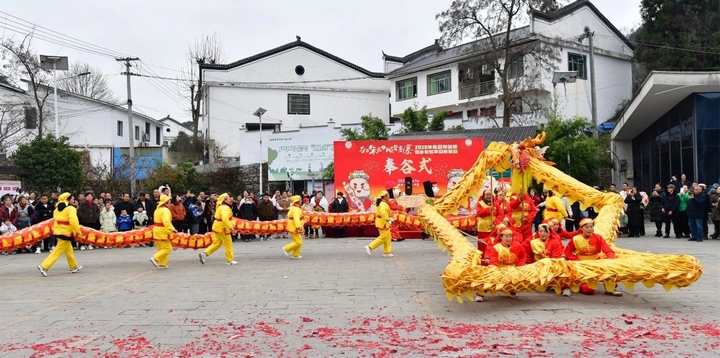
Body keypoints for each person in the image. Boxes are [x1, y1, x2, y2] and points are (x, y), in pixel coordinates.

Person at [564, 218, 622, 296]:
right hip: (581, 265)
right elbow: (567, 252)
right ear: (581, 228)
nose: (589, 229)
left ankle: (610, 289)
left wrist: (611, 260)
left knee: (609, 267)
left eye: (591, 227)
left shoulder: (598, 238)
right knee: (588, 290)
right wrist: (577, 260)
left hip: (596, 263)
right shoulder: (575, 239)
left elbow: (608, 251)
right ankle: (577, 284)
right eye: (587, 227)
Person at [37, 193, 83, 277]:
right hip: (66, 232)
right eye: (72, 199)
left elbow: (55, 220)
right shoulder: (70, 208)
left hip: (58, 231)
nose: (74, 200)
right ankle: (44, 266)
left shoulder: (57, 209)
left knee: (69, 250)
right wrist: (77, 230)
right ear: (68, 200)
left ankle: (73, 266)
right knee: (58, 251)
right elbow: (73, 220)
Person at [475, 228, 526, 302]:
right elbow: (493, 260)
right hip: (499, 269)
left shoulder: (517, 245)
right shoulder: (496, 247)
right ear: (501, 237)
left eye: (510, 236)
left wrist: (519, 265)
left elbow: (523, 256)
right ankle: (480, 294)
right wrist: (494, 270)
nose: (509, 239)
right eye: (506, 236)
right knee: (488, 278)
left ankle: (512, 291)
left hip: (512, 269)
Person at [199, 193, 238, 265]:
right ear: (225, 200)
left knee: (216, 243)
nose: (230, 199)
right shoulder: (225, 208)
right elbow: (225, 219)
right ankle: (229, 260)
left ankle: (204, 253)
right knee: (228, 244)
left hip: (217, 227)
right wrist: (231, 227)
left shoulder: (220, 207)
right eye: (228, 198)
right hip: (222, 228)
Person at [365, 190, 393, 257]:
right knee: (383, 237)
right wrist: (388, 219)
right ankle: (370, 247)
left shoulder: (383, 203)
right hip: (382, 222)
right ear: (384, 197)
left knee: (388, 237)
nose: (389, 196)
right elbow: (383, 213)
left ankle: (387, 252)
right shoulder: (383, 204)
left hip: (384, 222)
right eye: (388, 195)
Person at [150, 194, 176, 269]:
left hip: (156, 230)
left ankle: (162, 264)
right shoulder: (165, 210)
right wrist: (172, 229)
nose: (170, 203)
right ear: (166, 202)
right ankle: (155, 258)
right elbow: (166, 222)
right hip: (163, 231)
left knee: (161, 248)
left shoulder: (157, 209)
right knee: (167, 248)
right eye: (169, 201)